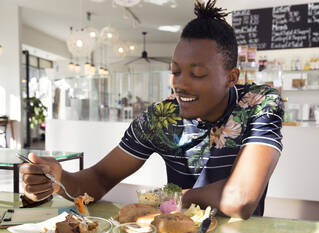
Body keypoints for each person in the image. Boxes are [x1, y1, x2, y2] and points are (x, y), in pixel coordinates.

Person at [20, 0, 284, 219]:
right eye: (176, 71)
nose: (180, 84)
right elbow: (100, 178)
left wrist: (174, 198)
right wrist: (57, 179)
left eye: (198, 73)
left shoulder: (259, 103)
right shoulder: (161, 118)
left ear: (231, 77)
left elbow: (241, 198)